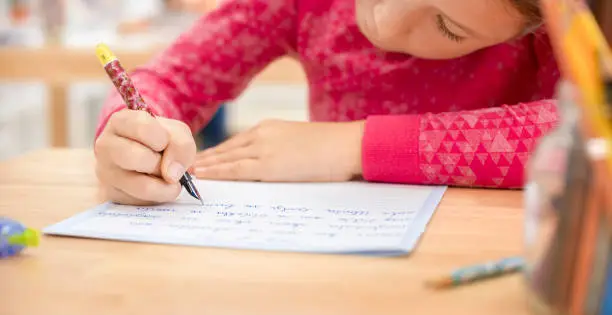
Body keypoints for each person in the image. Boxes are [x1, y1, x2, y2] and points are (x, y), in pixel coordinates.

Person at [93, 0, 560, 206]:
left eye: (448, 27)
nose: (385, 21)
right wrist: (129, 134)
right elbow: (172, 77)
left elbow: (592, 128)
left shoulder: (555, 29)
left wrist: (354, 146)